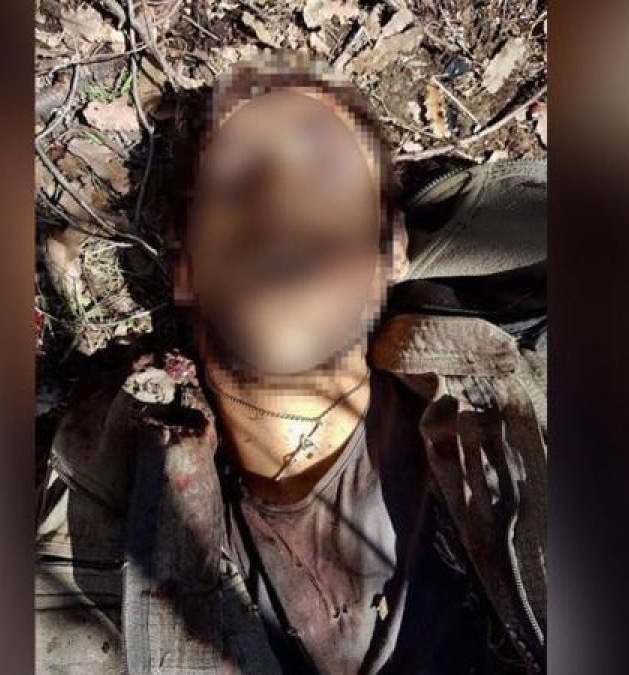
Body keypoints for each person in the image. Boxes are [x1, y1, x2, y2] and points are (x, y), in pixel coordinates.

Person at [36, 53, 547, 674]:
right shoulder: (103, 531)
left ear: (391, 253)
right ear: (187, 270)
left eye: (326, 173)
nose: (278, 202)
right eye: (237, 180)